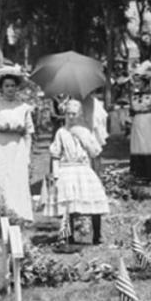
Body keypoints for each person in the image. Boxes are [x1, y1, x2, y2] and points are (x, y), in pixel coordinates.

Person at [48, 99, 110, 245]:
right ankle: (68, 235)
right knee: (68, 203)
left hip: (83, 168)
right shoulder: (61, 132)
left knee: (93, 199)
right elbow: (55, 154)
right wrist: (55, 174)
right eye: (68, 114)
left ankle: (97, 235)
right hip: (67, 168)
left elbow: (95, 152)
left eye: (74, 114)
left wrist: (84, 139)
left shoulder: (85, 131)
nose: (71, 117)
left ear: (79, 114)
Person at [0, 66, 34, 221]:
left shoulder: (24, 107)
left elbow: (28, 133)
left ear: (17, 87)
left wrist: (27, 153)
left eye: (13, 86)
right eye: (7, 86)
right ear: (1, 88)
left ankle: (18, 213)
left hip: (17, 147)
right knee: (0, 179)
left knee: (17, 179)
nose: (10, 89)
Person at [129, 79, 151, 183]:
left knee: (150, 145)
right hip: (138, 120)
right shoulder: (133, 95)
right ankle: (139, 174)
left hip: (149, 120)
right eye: (137, 82)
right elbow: (132, 109)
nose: (138, 84)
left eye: (140, 82)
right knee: (138, 146)